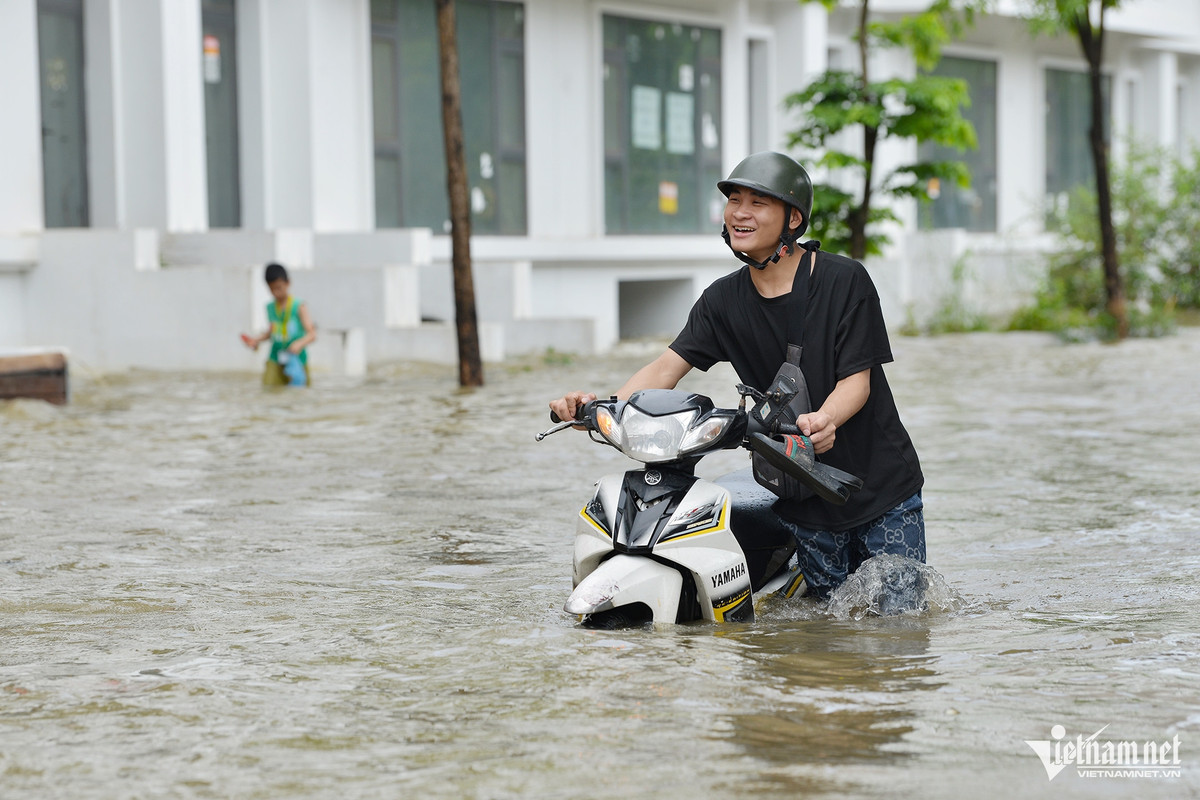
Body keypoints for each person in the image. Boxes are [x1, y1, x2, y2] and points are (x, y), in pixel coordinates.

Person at [549, 151, 925, 600]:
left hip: (880, 492)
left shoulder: (845, 280)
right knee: (826, 640)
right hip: (801, 497)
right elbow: (666, 368)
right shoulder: (722, 301)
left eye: (758, 203)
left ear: (793, 218)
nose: (740, 213)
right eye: (734, 200)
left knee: (896, 634)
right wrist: (601, 407)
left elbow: (857, 382)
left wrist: (826, 419)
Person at [241, 262, 317, 387]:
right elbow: (272, 332)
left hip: (296, 358)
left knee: (299, 393)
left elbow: (312, 334)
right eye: (272, 289)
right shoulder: (270, 307)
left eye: (279, 287)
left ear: (288, 283)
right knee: (269, 389)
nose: (276, 292)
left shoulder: (299, 306)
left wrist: (299, 344)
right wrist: (256, 340)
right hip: (275, 358)